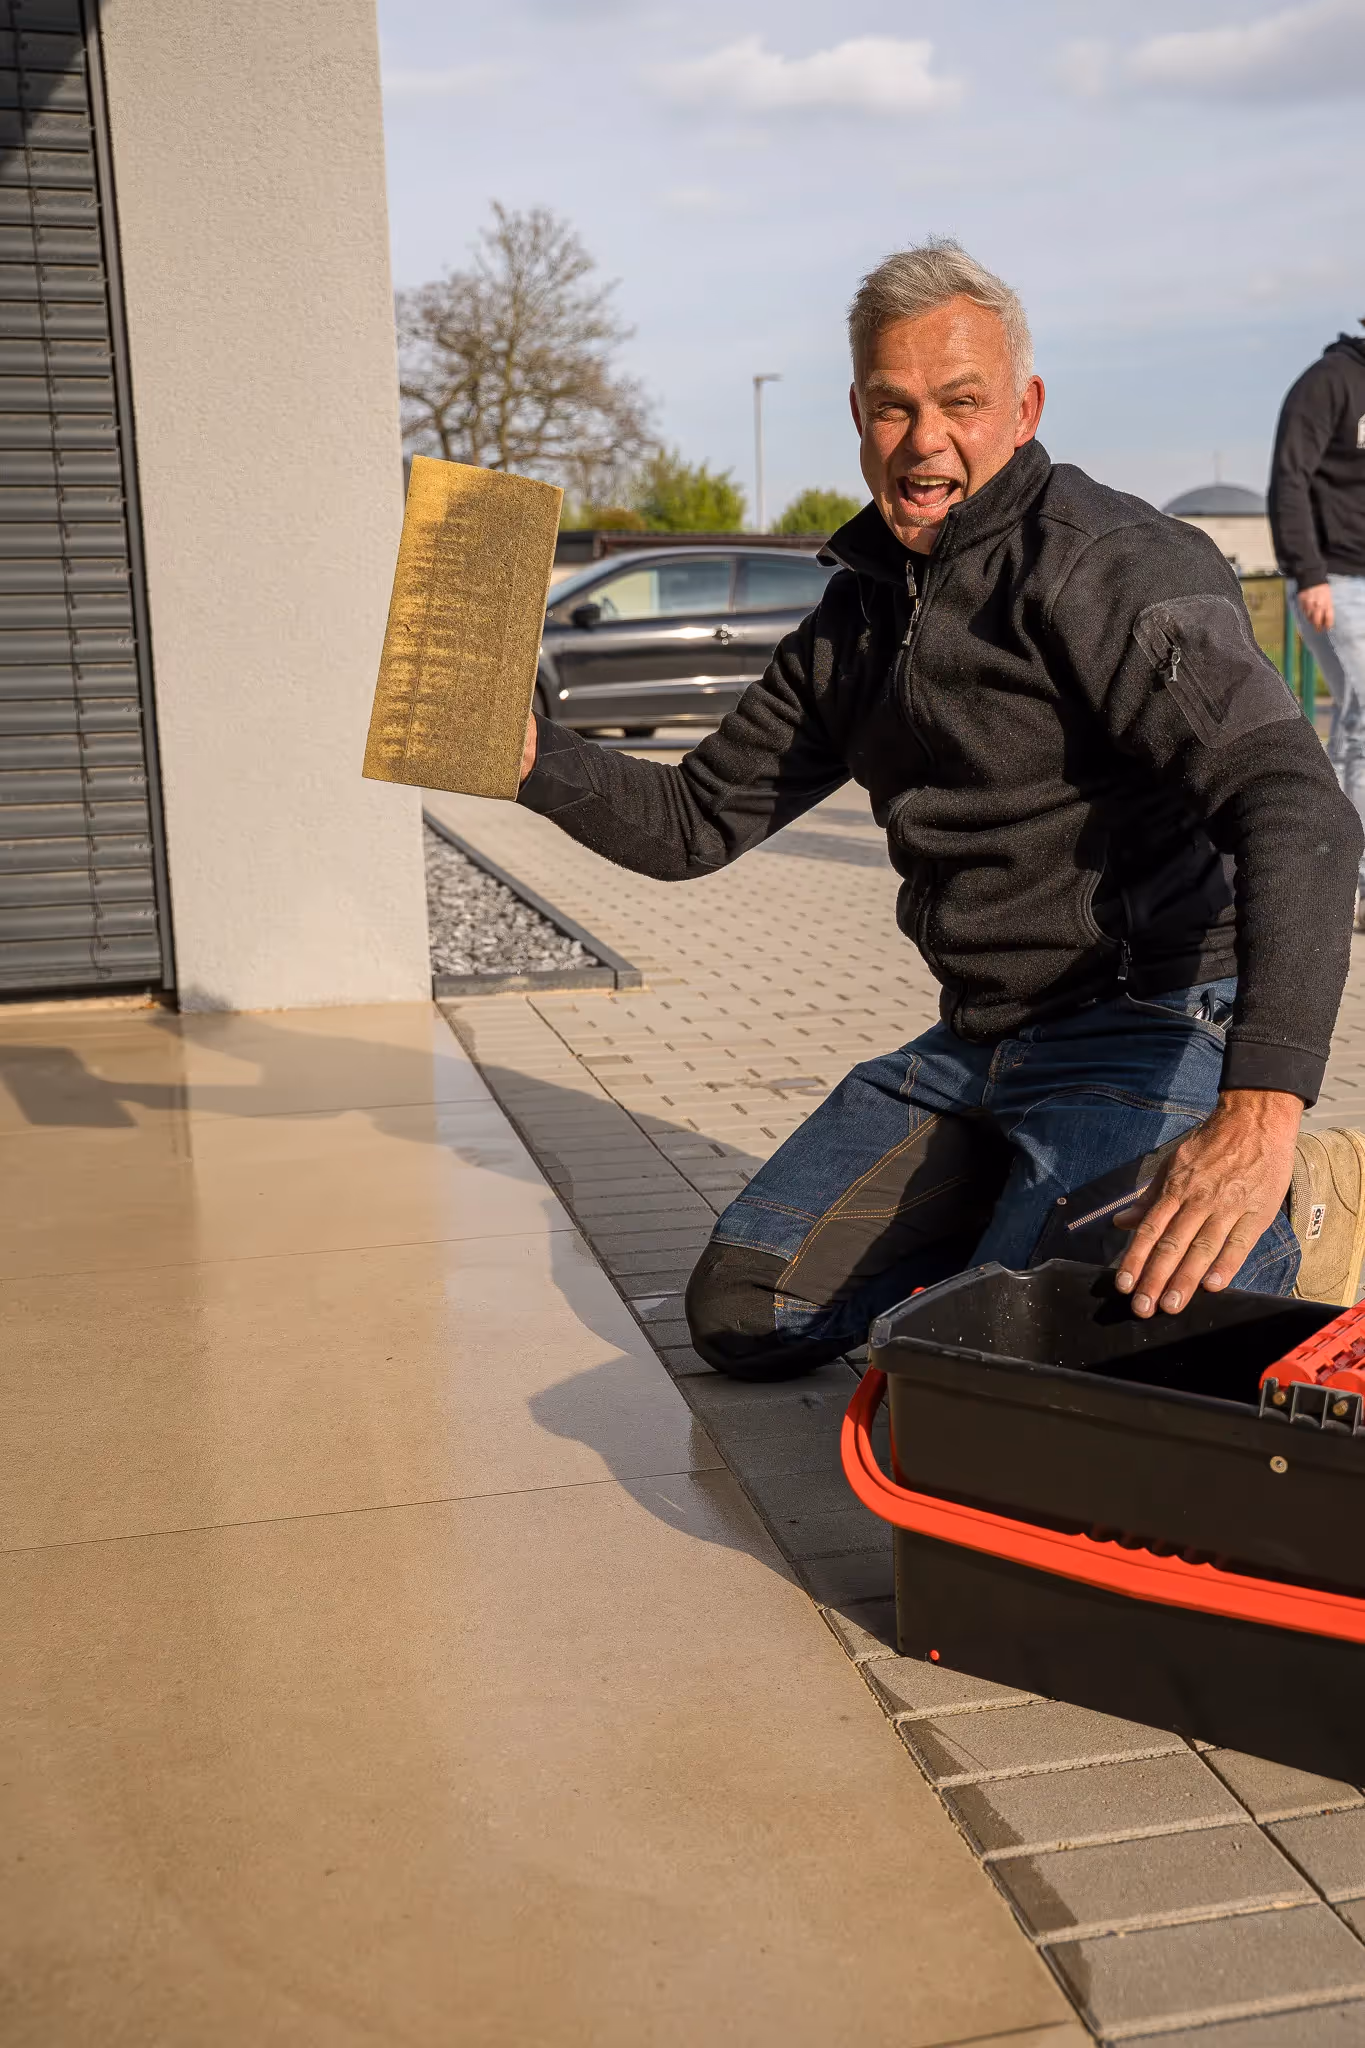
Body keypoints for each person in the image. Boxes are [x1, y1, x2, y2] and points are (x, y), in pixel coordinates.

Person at [518, 240, 1365, 1381]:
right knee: (743, 1310)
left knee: (1015, 1373)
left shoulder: (1111, 564)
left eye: (960, 403)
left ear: (1024, 406)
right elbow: (691, 819)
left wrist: (1260, 1116)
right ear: (858, 413)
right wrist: (521, 755)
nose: (925, 441)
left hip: (1154, 1019)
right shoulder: (854, 620)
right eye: (892, 407)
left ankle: (1307, 1203)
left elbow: (1298, 810)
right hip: (977, 1048)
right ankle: (1034, 1202)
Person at [1269, 318, 1365, 928]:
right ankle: (1351, 883)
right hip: (1338, 580)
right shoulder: (1329, 382)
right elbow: (1289, 477)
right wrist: (1308, 573)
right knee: (1362, 716)